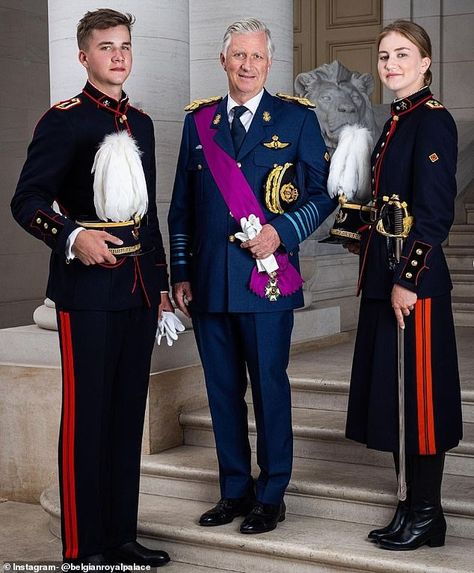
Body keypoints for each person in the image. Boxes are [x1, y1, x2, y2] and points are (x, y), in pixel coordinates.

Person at [11, 9, 172, 566]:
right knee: (88, 420)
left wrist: (163, 284)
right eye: (107, 47)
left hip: (138, 293)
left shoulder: (143, 123)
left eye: (125, 45)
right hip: (86, 294)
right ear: (85, 57)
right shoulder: (65, 120)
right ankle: (84, 549)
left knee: (127, 418)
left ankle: (121, 538)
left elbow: (149, 217)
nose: (119, 55)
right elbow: (26, 202)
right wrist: (73, 236)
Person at [168, 18, 335, 534]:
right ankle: (233, 490)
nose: (247, 65)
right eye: (238, 55)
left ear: (269, 62)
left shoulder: (296, 119)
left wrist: (281, 233)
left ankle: (272, 494)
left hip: (267, 281)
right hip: (211, 282)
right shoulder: (199, 124)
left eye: (256, 57)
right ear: (223, 61)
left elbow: (323, 194)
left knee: (268, 388)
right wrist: (180, 272)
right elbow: (181, 207)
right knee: (221, 392)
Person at [345, 20, 463, 550]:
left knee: (420, 400)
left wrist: (407, 281)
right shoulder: (396, 121)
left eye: (402, 54)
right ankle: (409, 506)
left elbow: (435, 216)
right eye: (384, 55)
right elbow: (392, 208)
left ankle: (426, 512)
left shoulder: (432, 122)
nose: (390, 64)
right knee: (395, 396)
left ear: (426, 62)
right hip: (385, 276)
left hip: (414, 285)